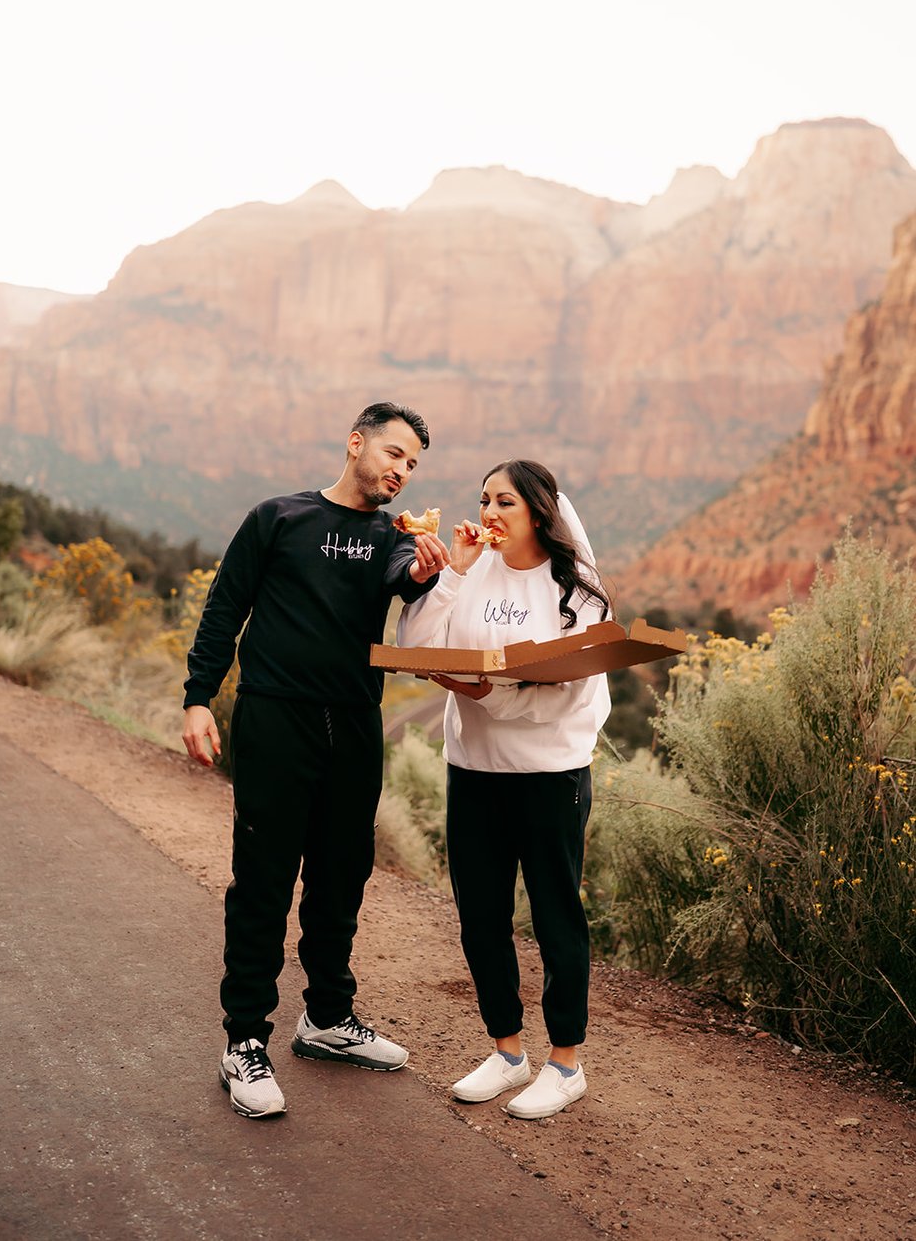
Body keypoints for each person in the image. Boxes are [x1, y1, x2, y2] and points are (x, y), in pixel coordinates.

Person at [182, 402, 449, 1118]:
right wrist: (198, 698)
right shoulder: (279, 517)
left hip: (355, 727)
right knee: (264, 882)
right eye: (394, 453)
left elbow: (406, 576)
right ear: (356, 443)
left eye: (413, 464)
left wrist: (425, 570)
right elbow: (224, 608)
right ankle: (244, 1042)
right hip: (274, 719)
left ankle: (327, 1019)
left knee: (342, 879)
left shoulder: (396, 537)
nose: (401, 470)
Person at [396, 458, 611, 1120]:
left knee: (554, 919)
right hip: (475, 772)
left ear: (539, 513)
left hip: (551, 777)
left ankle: (565, 1064)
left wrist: (493, 693)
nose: (489, 513)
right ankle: (508, 1051)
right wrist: (452, 571)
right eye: (485, 499)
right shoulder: (472, 570)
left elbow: (575, 688)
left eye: (505, 503)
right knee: (481, 916)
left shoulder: (576, 589)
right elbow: (417, 643)